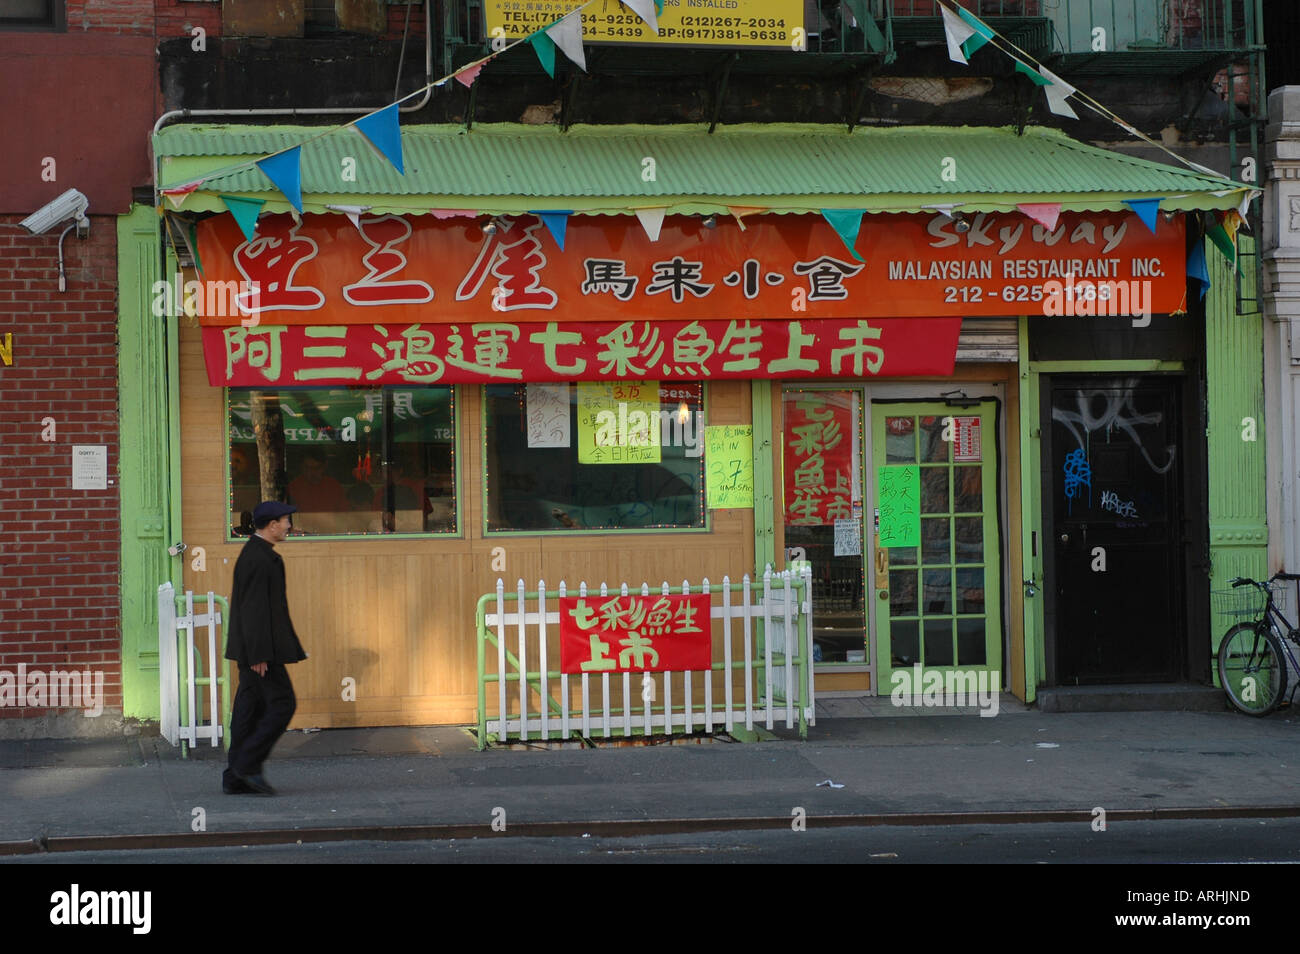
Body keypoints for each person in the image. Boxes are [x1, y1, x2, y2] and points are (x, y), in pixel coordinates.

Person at [222, 501, 307, 796]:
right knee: (283, 704)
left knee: (249, 708)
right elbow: (254, 609)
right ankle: (246, 766)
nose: (288, 526)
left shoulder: (256, 554)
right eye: (285, 521)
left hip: (252, 650)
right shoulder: (260, 559)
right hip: (259, 652)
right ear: (271, 525)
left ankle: (235, 776)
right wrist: (259, 653)